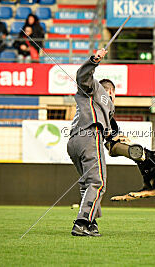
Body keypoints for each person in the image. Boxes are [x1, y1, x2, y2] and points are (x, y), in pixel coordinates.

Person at [67, 48, 120, 237]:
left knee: (87, 184)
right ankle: (82, 223)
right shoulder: (98, 90)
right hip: (90, 136)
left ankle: (91, 223)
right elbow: (82, 76)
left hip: (74, 140)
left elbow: (113, 130)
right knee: (98, 183)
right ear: (111, 91)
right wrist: (94, 60)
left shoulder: (103, 107)